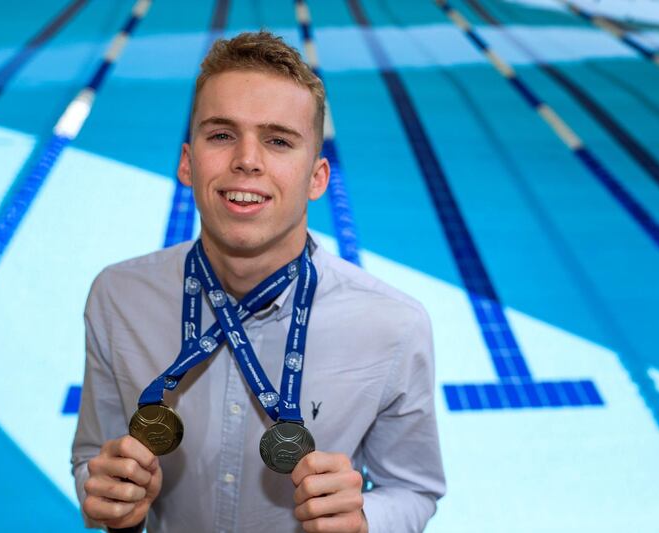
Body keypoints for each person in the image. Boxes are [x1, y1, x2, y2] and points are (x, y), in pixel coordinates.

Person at [71, 31, 445, 533]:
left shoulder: (393, 326)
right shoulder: (118, 298)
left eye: (278, 140)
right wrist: (105, 492)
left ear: (317, 177)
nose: (247, 160)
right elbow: (94, 454)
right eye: (222, 134)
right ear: (187, 162)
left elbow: (414, 489)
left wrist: (364, 520)